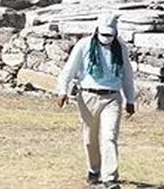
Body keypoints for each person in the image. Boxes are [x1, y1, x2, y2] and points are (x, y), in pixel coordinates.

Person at [54, 14, 137, 189]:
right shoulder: (84, 46)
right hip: (88, 96)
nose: (106, 39)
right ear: (97, 30)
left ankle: (110, 178)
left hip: (112, 96)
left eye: (110, 35)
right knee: (89, 138)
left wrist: (130, 99)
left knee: (109, 136)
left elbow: (127, 74)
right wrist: (62, 91)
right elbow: (69, 69)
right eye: (104, 34)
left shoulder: (120, 48)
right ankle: (94, 169)